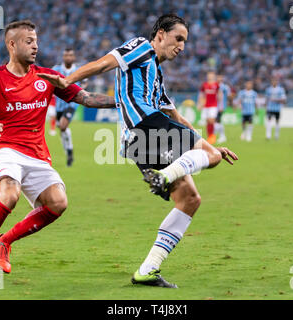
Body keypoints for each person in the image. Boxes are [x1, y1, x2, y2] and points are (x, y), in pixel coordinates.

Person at [38, 14, 238, 288]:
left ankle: (148, 270)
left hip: (137, 142)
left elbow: (175, 116)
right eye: (178, 38)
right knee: (210, 159)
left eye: (185, 42)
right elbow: (103, 64)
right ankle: (165, 177)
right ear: (160, 35)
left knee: (190, 199)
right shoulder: (142, 47)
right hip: (145, 126)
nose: (181, 46)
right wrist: (67, 80)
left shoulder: (156, 75)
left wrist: (210, 146)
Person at [0, 20, 115, 278]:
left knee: (58, 203)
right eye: (28, 41)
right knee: (9, 195)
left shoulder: (47, 77)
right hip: (7, 148)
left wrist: (121, 101)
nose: (35, 46)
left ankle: (4, 241)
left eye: (36, 41)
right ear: (12, 44)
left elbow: (85, 98)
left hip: (37, 154)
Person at [52, 48, 88, 166]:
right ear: (63, 57)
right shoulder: (56, 69)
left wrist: (82, 91)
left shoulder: (79, 70)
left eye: (70, 55)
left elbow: (84, 82)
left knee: (63, 126)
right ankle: (68, 151)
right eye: (66, 55)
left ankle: (70, 150)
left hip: (72, 102)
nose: (68, 57)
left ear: (74, 57)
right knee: (62, 130)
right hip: (59, 104)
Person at [197, 70, 221, 145]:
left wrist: (220, 104)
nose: (210, 77)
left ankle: (213, 135)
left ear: (213, 76)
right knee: (207, 121)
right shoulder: (204, 85)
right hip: (206, 105)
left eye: (211, 75)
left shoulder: (216, 85)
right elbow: (201, 95)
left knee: (211, 120)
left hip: (213, 105)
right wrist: (200, 104)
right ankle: (209, 136)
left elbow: (219, 94)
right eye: (209, 75)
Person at [215, 74, 232, 143]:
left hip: (220, 106)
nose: (219, 78)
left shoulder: (225, 87)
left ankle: (222, 136)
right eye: (218, 77)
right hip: (214, 106)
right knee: (217, 121)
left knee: (218, 120)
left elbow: (229, 96)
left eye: (220, 77)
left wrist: (228, 103)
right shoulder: (215, 85)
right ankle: (219, 136)